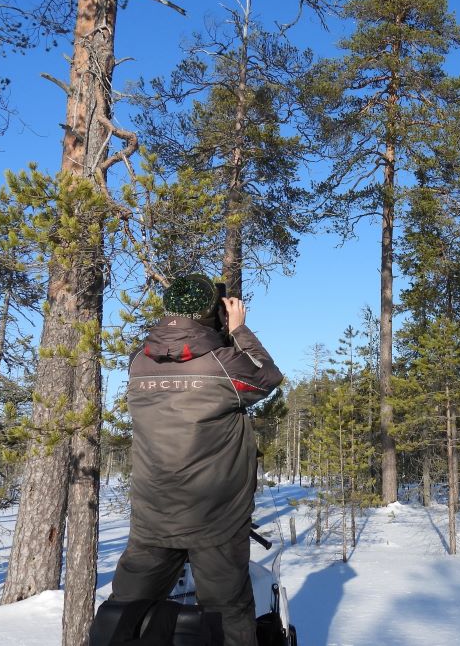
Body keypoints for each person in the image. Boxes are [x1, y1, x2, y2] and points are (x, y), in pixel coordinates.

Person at [110, 274, 283, 646]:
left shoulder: (139, 361)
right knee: (227, 614)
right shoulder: (222, 365)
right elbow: (267, 377)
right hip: (214, 518)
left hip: (152, 513)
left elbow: (179, 353)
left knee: (125, 608)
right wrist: (238, 330)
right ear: (212, 314)